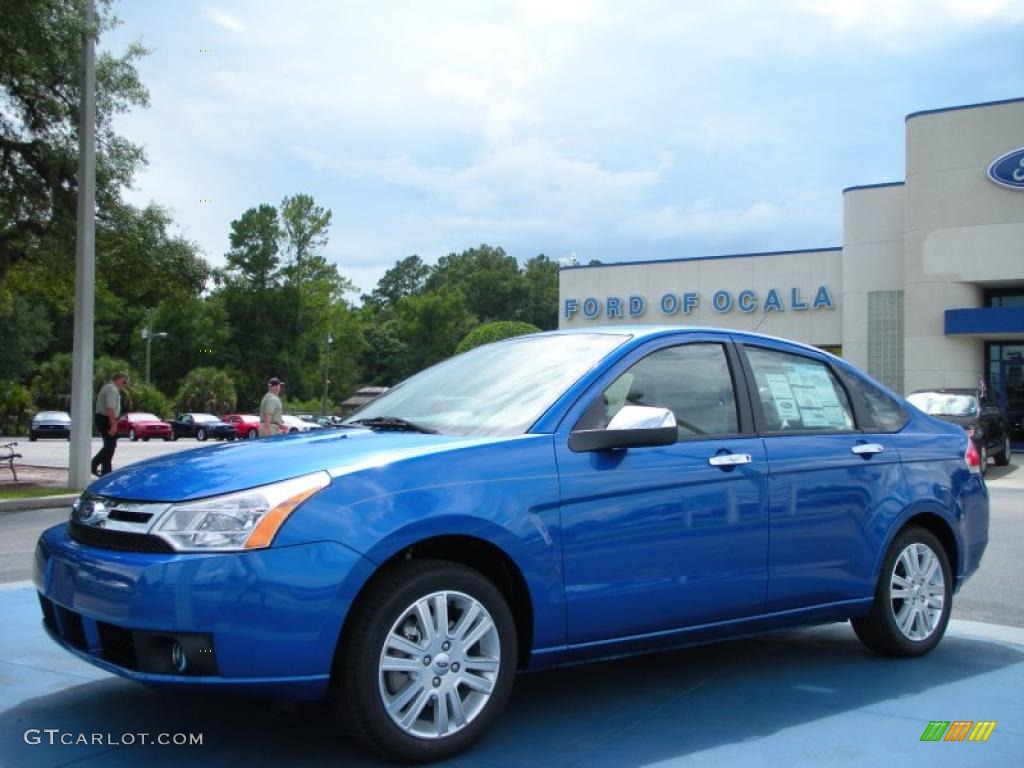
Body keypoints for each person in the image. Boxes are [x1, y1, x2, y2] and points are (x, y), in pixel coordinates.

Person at [91, 372, 129, 476]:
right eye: (124, 382)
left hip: (106, 418)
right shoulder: (112, 389)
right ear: (118, 380)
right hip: (106, 419)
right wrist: (113, 425)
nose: (125, 385)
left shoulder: (109, 388)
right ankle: (95, 464)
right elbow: (110, 408)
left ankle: (105, 471)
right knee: (110, 446)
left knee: (109, 446)